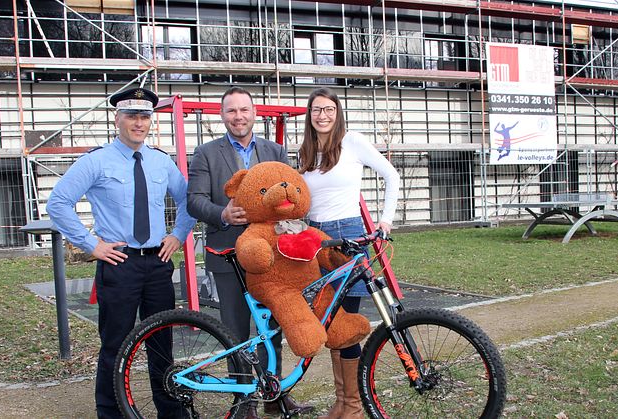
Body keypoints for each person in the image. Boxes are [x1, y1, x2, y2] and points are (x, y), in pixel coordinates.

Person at [46, 87, 197, 418]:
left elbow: (188, 200)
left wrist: (178, 235)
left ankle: (170, 412)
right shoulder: (96, 160)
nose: (139, 123)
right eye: (132, 116)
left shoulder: (160, 161)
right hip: (120, 263)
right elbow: (58, 203)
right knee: (116, 345)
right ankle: (112, 412)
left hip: (158, 262)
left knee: (162, 344)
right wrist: (91, 245)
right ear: (118, 120)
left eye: (145, 117)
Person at [186, 86, 314, 419]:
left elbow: (290, 198)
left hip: (273, 258)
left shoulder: (274, 150)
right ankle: (244, 404)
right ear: (222, 115)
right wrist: (222, 214)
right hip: (227, 254)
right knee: (236, 330)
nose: (238, 116)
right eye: (231, 111)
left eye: (244, 110)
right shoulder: (205, 153)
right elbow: (194, 200)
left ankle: (275, 396)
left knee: (273, 327)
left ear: (254, 113)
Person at [299, 87, 400, 419]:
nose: (323, 115)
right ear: (310, 115)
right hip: (315, 237)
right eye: (316, 110)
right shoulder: (307, 151)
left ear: (337, 112)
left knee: (347, 320)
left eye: (328, 109)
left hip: (347, 236)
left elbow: (391, 175)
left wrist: (385, 220)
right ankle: (342, 402)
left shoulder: (352, 141)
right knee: (328, 321)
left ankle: (353, 406)